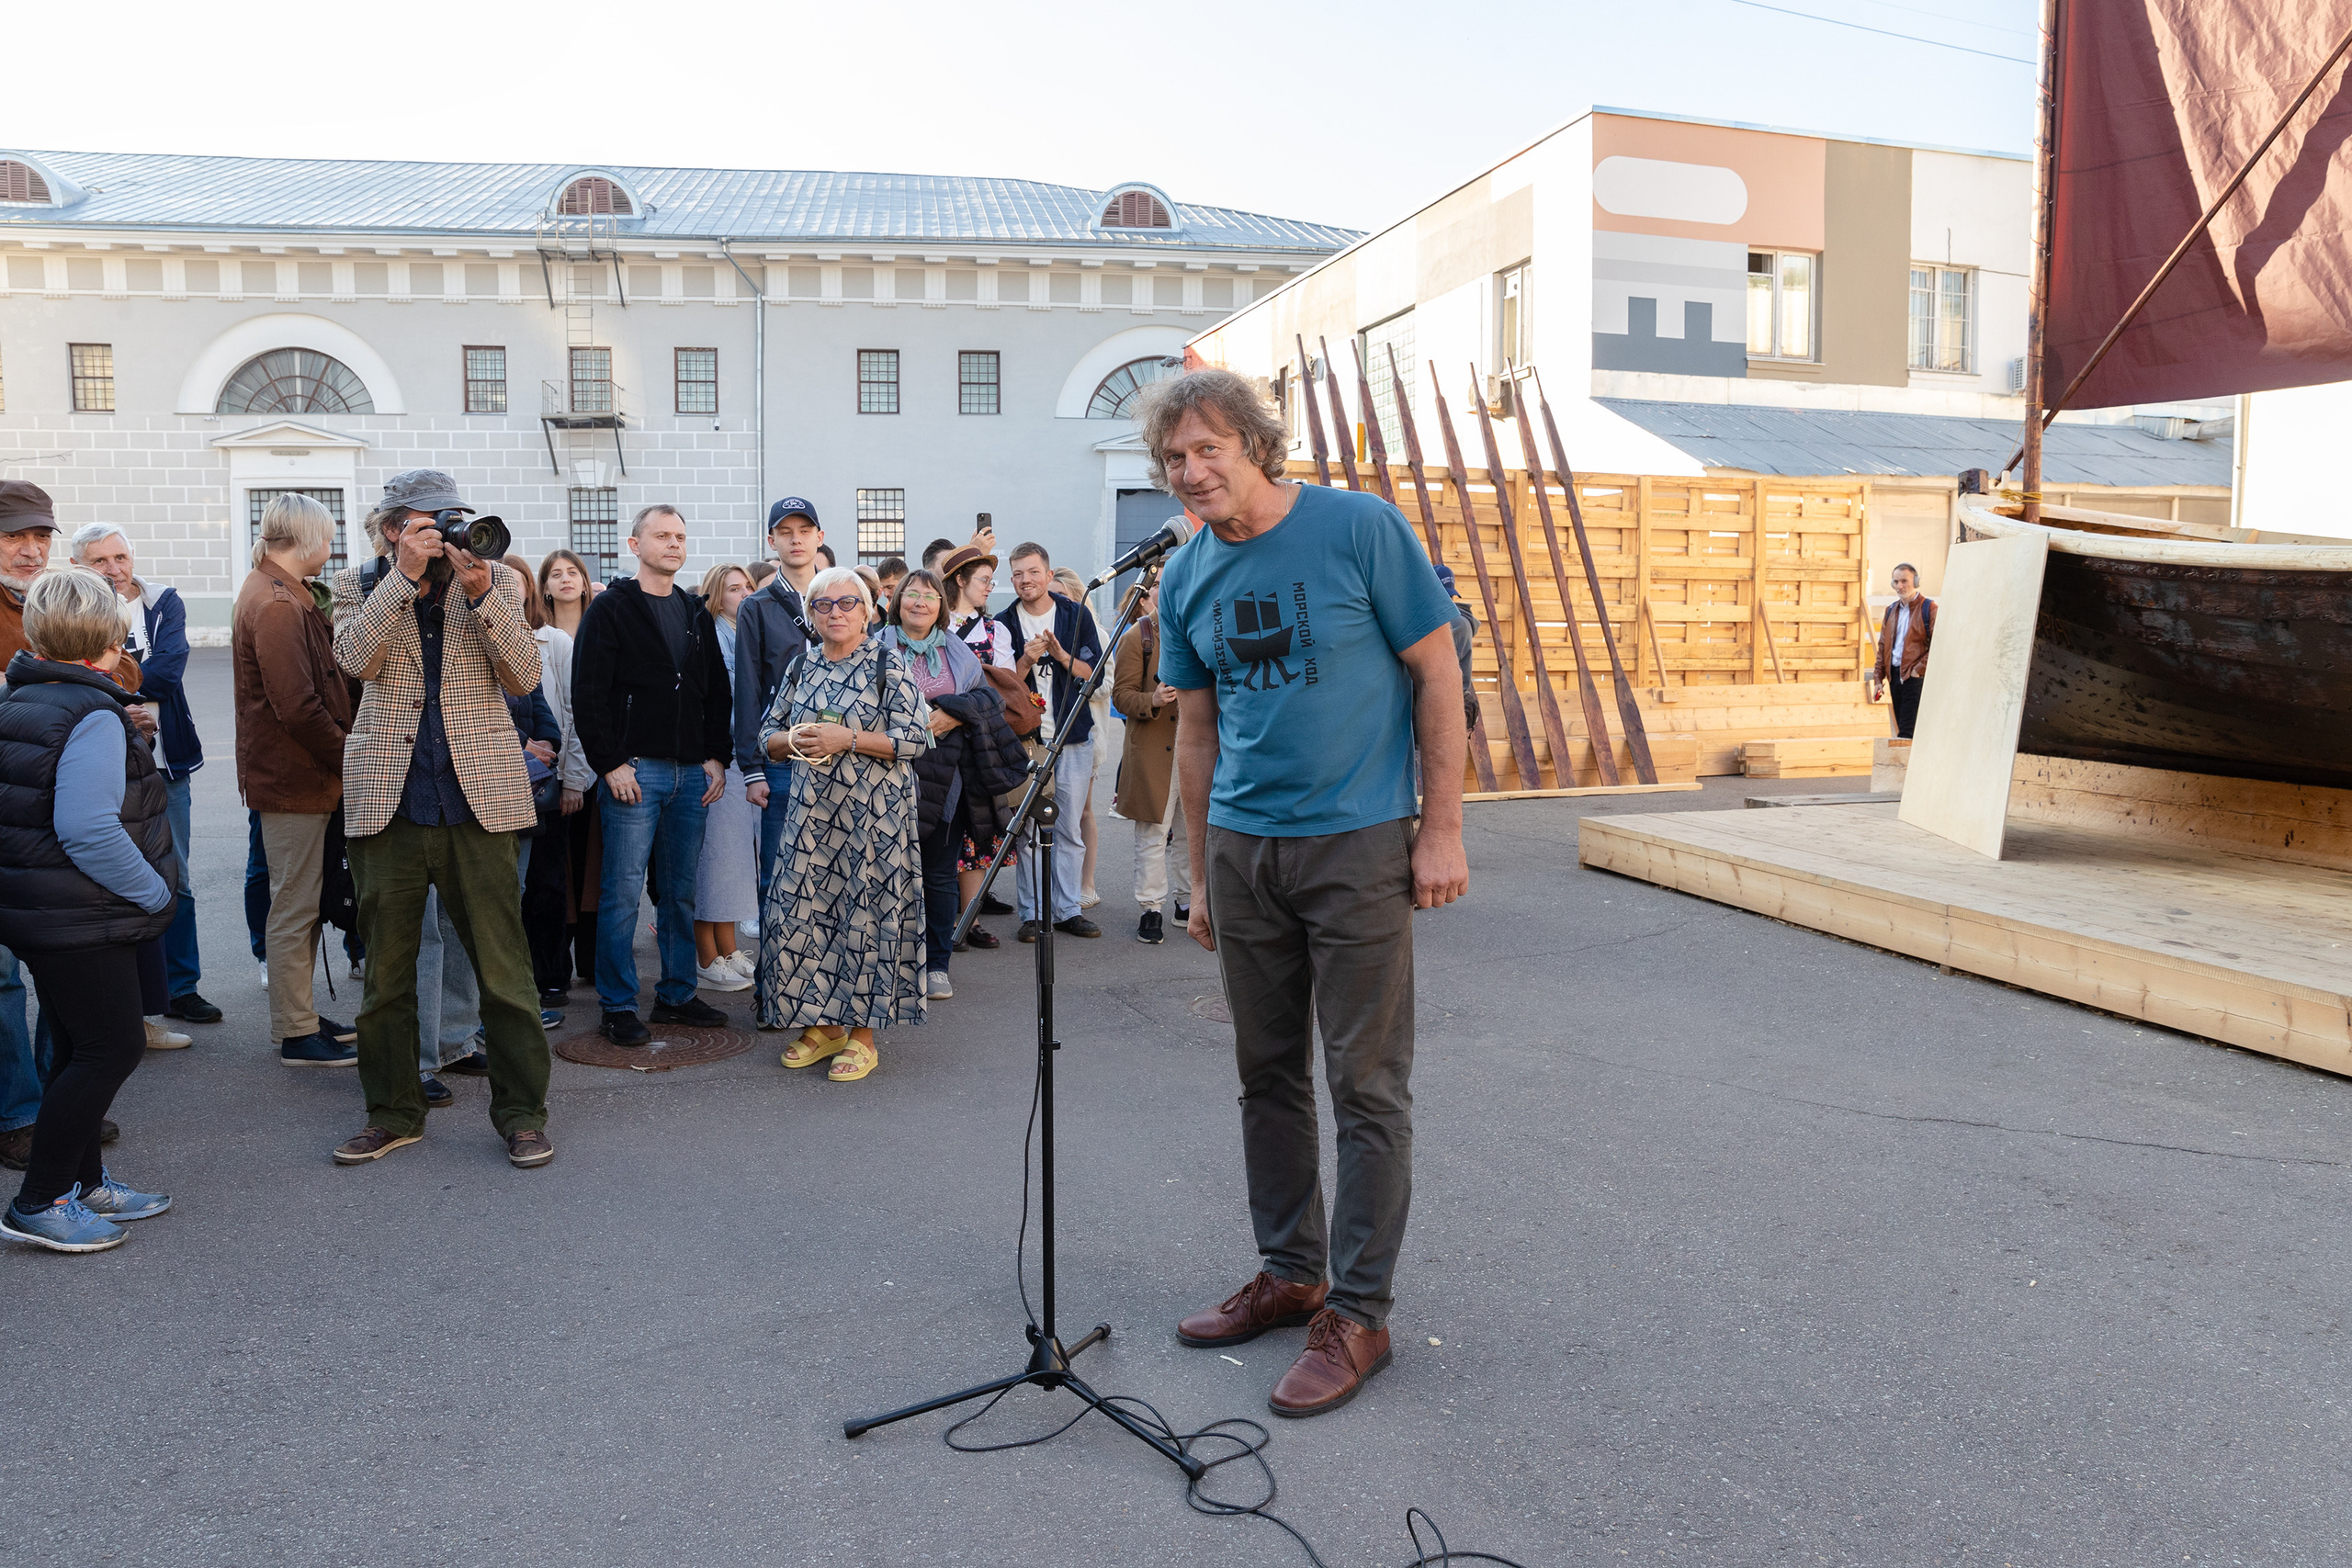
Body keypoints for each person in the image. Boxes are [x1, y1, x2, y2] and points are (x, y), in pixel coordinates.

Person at [1140, 367, 1467, 1419]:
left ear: (1253, 445)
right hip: (1245, 850)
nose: (1190, 473)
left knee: (1366, 1085)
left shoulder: (1358, 527)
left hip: (1358, 843)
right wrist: (1198, 871)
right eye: (1173, 460)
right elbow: (1194, 728)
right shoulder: (1186, 575)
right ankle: (1292, 1274)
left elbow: (1437, 675)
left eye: (1206, 450)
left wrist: (1442, 829)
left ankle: (1360, 1315)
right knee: (1264, 1077)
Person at [328, 469, 553, 1169]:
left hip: (477, 797)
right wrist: (403, 576)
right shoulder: (358, 583)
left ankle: (522, 1113)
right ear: (394, 526)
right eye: (429, 521)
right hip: (389, 801)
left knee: (504, 970)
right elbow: (353, 660)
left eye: (454, 518)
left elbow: (523, 677)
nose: (447, 532)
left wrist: (484, 592)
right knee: (388, 977)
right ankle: (393, 1112)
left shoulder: (496, 582)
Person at [0, 569, 178, 1252]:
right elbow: (89, 829)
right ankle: (40, 1199)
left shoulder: (25, 697)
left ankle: (83, 1181)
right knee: (111, 1045)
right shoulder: (90, 712)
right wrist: (155, 891)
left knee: (78, 1043)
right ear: (109, 634)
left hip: (45, 909)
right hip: (80, 913)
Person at [753, 566, 931, 1081]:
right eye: (824, 605)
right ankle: (826, 1024)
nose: (836, 612)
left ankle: (865, 1035)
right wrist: (795, 740)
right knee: (808, 913)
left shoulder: (886, 663)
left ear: (870, 610)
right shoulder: (800, 667)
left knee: (867, 915)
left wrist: (846, 739)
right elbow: (768, 734)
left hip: (874, 818)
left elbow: (917, 739)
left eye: (848, 603)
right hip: (812, 817)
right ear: (810, 615)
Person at [571, 504, 730, 1047]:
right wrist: (610, 762)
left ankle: (677, 994)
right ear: (635, 545)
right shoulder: (611, 609)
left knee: (681, 893)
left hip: (691, 773)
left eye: (680, 536)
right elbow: (588, 693)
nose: (673, 544)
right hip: (634, 772)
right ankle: (617, 1004)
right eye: (661, 535)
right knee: (620, 894)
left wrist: (716, 755)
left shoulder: (694, 611)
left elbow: (715, 692)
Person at [73, 522, 220, 1028]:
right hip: (101, 762)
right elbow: (80, 671)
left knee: (173, 876)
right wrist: (129, 672)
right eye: (100, 561)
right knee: (108, 883)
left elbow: (167, 673)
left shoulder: (164, 603)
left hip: (165, 763)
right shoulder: (73, 610)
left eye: (120, 557)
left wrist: (108, 670)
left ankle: (182, 987)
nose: (114, 570)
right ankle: (124, 1002)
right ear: (79, 567)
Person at [233, 494, 359, 1068]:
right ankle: (294, 1031)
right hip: (294, 779)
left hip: (296, 777)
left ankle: (301, 1016)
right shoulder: (277, 602)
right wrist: (351, 757)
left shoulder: (278, 591)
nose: (331, 549)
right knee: (294, 906)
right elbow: (298, 707)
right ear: (306, 540)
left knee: (302, 902)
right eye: (328, 538)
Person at [889, 568, 1025, 999]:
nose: (920, 603)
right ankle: (888, 964)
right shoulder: (876, 645)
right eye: (911, 594)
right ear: (897, 602)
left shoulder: (957, 651)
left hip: (945, 778)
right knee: (886, 876)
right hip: (885, 773)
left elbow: (989, 699)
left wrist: (954, 710)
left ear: (941, 606)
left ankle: (937, 965)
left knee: (940, 874)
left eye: (929, 596)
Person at [997, 542, 1103, 942]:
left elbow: (1091, 674)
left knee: (1070, 826)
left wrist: (1060, 655)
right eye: (1019, 574)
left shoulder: (1075, 615)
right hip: (1026, 741)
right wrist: (1025, 660)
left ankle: (1067, 909)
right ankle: (1033, 913)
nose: (1026, 580)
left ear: (1047, 573)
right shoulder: (1004, 621)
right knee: (1027, 828)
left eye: (1033, 572)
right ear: (1012, 580)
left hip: (1072, 736)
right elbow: (1001, 682)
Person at [0, 481, 59, 1172]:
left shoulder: (56, 596)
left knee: (61, 965)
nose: (31, 548)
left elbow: (119, 663)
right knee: (5, 978)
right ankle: (17, 1112)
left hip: (50, 817)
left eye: (40, 535)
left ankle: (60, 1096)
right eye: (17, 536)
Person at [504, 556, 594, 1005]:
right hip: (496, 781)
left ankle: (551, 976)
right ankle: (513, 981)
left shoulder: (553, 641)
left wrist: (574, 776)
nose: (508, 587)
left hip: (546, 781)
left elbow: (574, 710)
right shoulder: (476, 638)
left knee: (548, 883)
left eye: (514, 579)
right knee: (507, 889)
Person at [737, 497, 823, 892]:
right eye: (785, 532)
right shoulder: (757, 606)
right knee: (778, 874)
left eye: (804, 531)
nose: (796, 540)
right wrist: (753, 768)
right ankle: (778, 955)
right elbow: (748, 689)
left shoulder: (843, 600)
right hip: (783, 756)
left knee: (836, 874)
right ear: (771, 541)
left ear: (819, 537)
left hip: (840, 753)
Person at [939, 543, 1016, 947]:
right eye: (984, 580)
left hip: (979, 740)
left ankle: (968, 917)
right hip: (936, 741)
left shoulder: (995, 630)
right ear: (959, 582)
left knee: (975, 830)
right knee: (938, 827)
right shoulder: (932, 624)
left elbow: (1003, 687)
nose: (990, 587)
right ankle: (938, 915)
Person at [1109, 581, 1188, 944]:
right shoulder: (1137, 636)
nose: (1169, 589)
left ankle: (1187, 903)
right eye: (1159, 584)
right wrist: (1153, 699)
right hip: (1155, 750)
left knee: (1193, 835)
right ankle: (1151, 908)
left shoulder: (1201, 625)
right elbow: (1121, 696)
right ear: (1148, 594)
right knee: (1153, 834)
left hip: (1197, 749)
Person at [693, 562, 760, 992]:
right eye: (734, 588)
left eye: (749, 586)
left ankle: (729, 946)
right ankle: (705, 956)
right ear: (717, 595)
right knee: (713, 861)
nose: (744, 594)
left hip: (744, 758)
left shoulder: (747, 635)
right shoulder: (708, 635)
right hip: (716, 759)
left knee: (735, 862)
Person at [1053, 565, 1105, 910]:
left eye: (1060, 595)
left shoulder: (1093, 630)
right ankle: (1059, 891)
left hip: (1088, 731)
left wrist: (1068, 666)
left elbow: (1106, 683)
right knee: (1059, 816)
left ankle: (1085, 884)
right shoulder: (1049, 628)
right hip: (1056, 732)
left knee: (1080, 814)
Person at [1871, 563, 1936, 739]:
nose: (1900, 586)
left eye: (1905, 581)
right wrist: (1878, 678)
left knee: (1907, 733)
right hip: (1894, 677)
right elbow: (1883, 645)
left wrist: (1917, 670)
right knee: (1901, 729)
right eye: (1896, 582)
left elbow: (1938, 646)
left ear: (1915, 582)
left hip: (1914, 679)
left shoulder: (1929, 609)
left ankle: (1906, 767)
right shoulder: (1891, 610)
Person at [539, 548, 598, 640]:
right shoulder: (537, 634)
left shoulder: (601, 627)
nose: (566, 580)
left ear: (584, 584)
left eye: (572, 573)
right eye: (556, 575)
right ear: (546, 588)